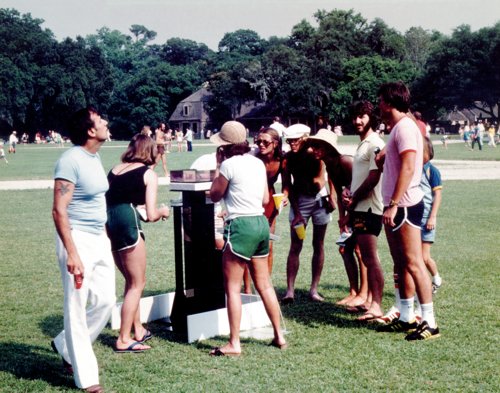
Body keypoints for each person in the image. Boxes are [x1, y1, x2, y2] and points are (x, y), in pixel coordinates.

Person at [51, 107, 116, 393]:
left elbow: (96, 201)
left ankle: (64, 344)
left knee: (105, 301)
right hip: (76, 239)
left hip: (98, 239)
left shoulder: (95, 156)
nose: (106, 122)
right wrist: (73, 253)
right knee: (76, 307)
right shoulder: (70, 161)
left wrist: (104, 237)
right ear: (90, 131)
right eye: (101, 120)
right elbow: (59, 211)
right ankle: (87, 377)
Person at [209, 120, 286, 356]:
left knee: (232, 287)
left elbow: (214, 195)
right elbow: (265, 199)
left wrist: (218, 168)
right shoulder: (257, 163)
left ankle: (234, 343)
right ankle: (279, 334)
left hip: (240, 225)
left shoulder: (228, 165)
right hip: (261, 223)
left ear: (224, 146)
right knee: (265, 284)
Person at [375, 81, 440, 340]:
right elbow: (399, 162)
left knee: (414, 263)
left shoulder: (404, 128)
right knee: (401, 264)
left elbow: (409, 168)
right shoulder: (398, 129)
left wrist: (393, 204)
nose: (378, 105)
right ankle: (405, 316)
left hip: (404, 205)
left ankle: (430, 322)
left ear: (389, 102)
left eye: (380, 100)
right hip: (396, 205)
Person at [105, 134, 170, 353]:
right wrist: (163, 211)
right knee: (137, 283)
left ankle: (138, 329)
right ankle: (123, 339)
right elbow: (151, 214)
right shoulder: (148, 174)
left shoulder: (115, 170)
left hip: (110, 221)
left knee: (131, 281)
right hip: (127, 220)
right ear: (151, 151)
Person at [305, 129, 368, 309]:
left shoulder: (345, 162)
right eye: (313, 146)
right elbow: (341, 193)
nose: (313, 150)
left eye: (318, 146)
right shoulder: (329, 164)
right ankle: (354, 292)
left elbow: (360, 189)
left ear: (328, 147)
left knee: (360, 250)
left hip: (363, 210)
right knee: (345, 249)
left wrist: (350, 215)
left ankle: (364, 294)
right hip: (351, 212)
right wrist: (342, 218)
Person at [340, 101, 386, 321]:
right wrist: (350, 195)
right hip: (359, 206)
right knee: (360, 254)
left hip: (369, 208)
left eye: (363, 116)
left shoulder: (374, 143)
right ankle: (367, 300)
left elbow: (374, 177)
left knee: (370, 258)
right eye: (356, 116)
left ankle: (376, 305)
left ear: (372, 118)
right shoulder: (363, 143)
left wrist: (355, 197)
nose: (358, 121)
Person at [281, 124, 330, 303]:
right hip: (300, 201)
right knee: (296, 245)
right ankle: (289, 291)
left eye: (295, 140)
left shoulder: (314, 154)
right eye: (290, 140)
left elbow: (321, 180)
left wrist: (325, 194)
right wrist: (297, 210)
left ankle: (314, 289)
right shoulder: (287, 158)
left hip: (319, 200)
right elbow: (287, 184)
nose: (292, 143)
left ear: (304, 138)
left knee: (319, 243)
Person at [242, 127, 284, 293]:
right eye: (258, 141)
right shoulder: (253, 157)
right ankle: (247, 289)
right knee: (248, 246)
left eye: (265, 142)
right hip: (252, 200)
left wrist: (285, 195)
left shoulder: (281, 160)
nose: (260, 144)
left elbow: (286, 184)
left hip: (270, 202)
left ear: (275, 143)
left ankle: (266, 286)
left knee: (268, 245)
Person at [420, 137, 443, 293]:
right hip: (414, 218)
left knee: (424, 257)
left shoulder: (432, 171)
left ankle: (436, 278)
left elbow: (438, 196)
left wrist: (432, 216)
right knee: (417, 257)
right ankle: (425, 283)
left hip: (427, 219)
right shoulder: (413, 169)